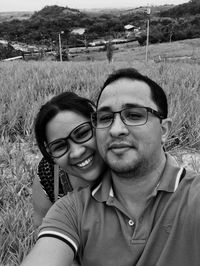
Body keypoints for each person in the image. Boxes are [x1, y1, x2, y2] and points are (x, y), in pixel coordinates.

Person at [21, 68, 200, 266]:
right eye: (106, 118)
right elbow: (45, 238)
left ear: (164, 130)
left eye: (133, 115)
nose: (116, 130)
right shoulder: (68, 207)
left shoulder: (190, 195)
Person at [32, 91, 106, 227]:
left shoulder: (123, 162)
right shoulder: (50, 178)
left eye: (83, 133)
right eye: (60, 146)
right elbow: (42, 230)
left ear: (98, 124)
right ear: (50, 154)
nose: (77, 153)